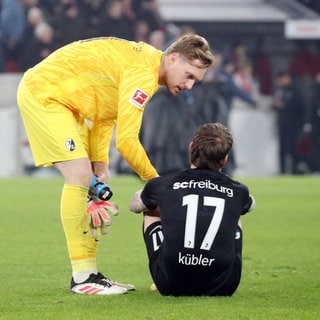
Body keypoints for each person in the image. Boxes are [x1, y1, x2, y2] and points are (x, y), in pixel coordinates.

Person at [16, 34, 215, 295]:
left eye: (195, 81)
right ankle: (82, 277)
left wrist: (101, 162)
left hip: (65, 102)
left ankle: (90, 274)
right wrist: (156, 183)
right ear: (173, 57)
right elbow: (127, 140)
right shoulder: (143, 73)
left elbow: (104, 112)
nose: (189, 85)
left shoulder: (145, 65)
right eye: (189, 75)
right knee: (78, 175)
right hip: (45, 94)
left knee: (95, 183)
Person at [129, 122, 255, 296]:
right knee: (235, 210)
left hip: (170, 283)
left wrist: (155, 195)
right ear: (225, 159)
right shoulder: (238, 190)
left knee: (151, 209)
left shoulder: (164, 184)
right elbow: (251, 204)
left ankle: (170, 269)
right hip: (225, 285)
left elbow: (134, 206)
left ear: (191, 148)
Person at [272, 71, 305, 174]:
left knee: (292, 148)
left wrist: (285, 106)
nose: (280, 82)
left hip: (293, 124)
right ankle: (282, 170)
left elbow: (300, 107)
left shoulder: (295, 91)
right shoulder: (279, 91)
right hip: (282, 124)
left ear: (287, 78)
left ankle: (295, 170)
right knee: (282, 149)